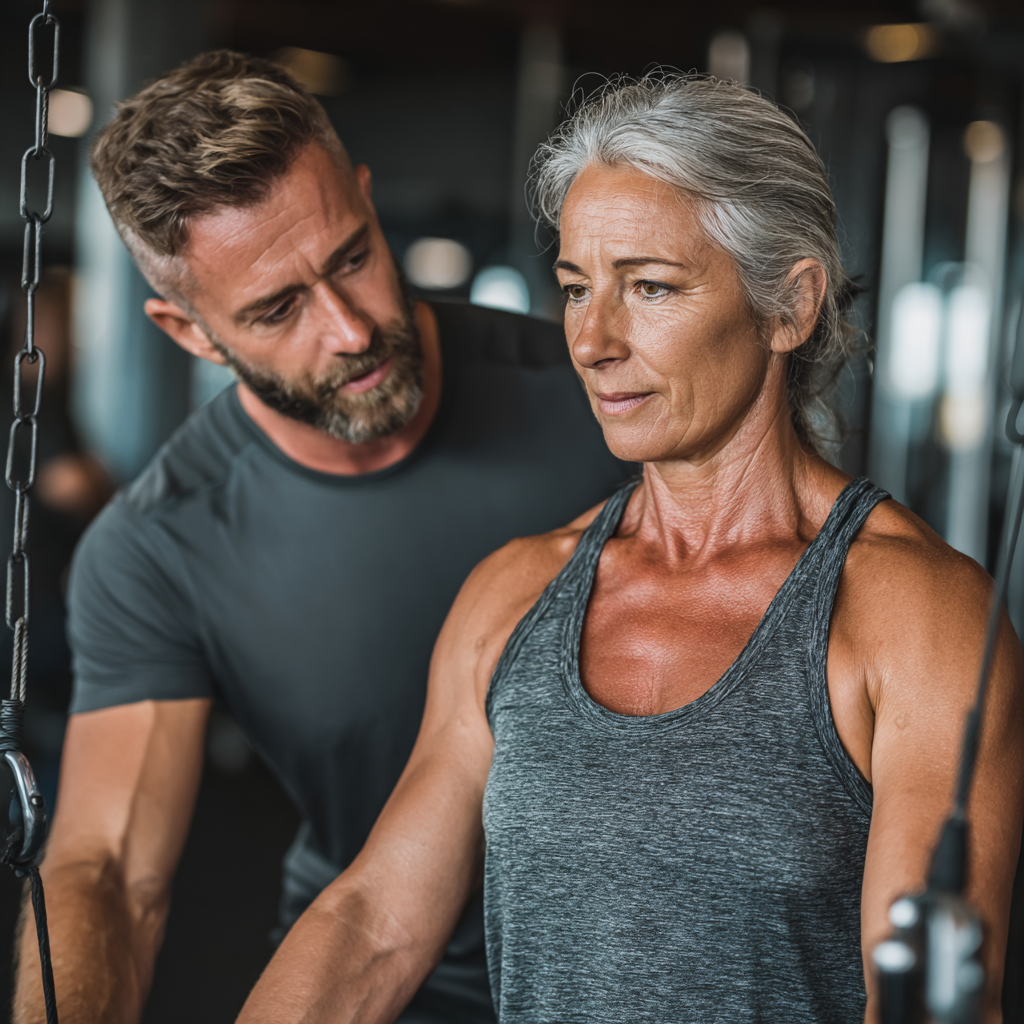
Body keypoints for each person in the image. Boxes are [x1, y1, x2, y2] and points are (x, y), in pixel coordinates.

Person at [235, 76, 1024, 1024]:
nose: (594, 339)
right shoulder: (515, 593)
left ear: (789, 307)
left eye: (649, 287)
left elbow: (930, 1007)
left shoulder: (915, 616)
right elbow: (374, 923)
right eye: (576, 289)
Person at [12, 51, 631, 1024]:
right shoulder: (160, 544)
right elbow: (110, 869)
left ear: (368, 199)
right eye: (276, 308)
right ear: (188, 332)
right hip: (380, 984)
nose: (346, 328)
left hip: (649, 967)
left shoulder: (600, 402)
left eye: (351, 257)